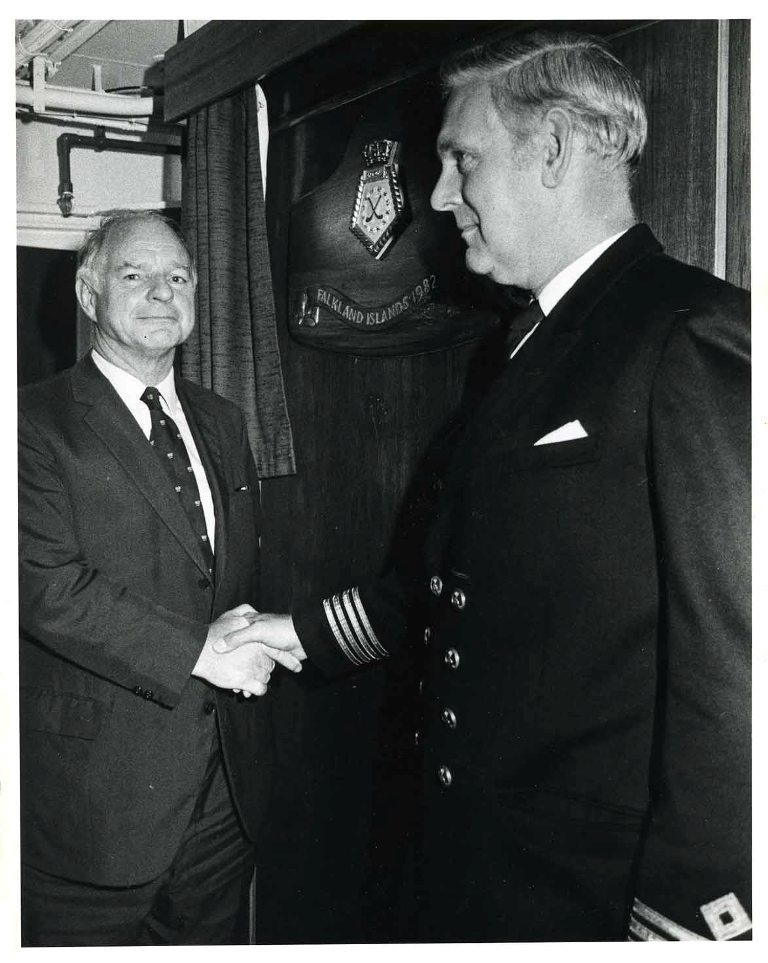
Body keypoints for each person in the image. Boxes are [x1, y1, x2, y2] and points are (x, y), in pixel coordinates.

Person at [217, 32, 751, 941]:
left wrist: (694, 926)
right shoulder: (518, 348)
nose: (436, 195)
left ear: (552, 150)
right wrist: (295, 633)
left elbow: (743, 665)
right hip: (478, 869)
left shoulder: (687, 333)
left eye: (462, 158)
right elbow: (450, 583)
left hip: (596, 897)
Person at [18, 210, 300, 946]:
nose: (159, 292)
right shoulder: (31, 423)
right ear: (88, 293)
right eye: (133, 275)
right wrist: (202, 650)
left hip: (223, 798)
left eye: (177, 277)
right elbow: (45, 584)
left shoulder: (225, 420)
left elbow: (233, 573)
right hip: (94, 808)